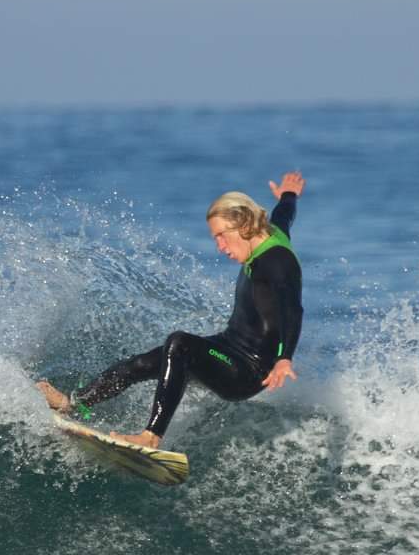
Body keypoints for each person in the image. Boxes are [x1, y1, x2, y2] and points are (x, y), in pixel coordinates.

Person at [38, 171, 306, 448]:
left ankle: (150, 436)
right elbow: (284, 214)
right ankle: (75, 405)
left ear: (243, 223)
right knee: (141, 364)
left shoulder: (275, 261)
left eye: (221, 236)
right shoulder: (272, 233)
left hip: (247, 370)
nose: (220, 246)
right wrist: (289, 195)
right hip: (228, 346)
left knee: (180, 343)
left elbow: (294, 310)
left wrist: (284, 358)